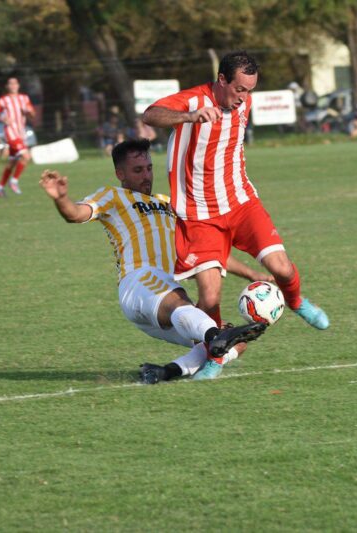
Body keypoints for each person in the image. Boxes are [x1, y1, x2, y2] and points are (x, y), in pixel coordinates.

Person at [142, 50, 329, 380]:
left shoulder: (244, 102)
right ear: (222, 80)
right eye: (239, 89)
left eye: (250, 90)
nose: (244, 97)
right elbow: (150, 115)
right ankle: (215, 359)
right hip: (199, 214)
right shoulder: (194, 100)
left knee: (281, 267)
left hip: (241, 203)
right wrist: (190, 117)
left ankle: (296, 301)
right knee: (209, 296)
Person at [39, 139, 269, 384]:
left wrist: (253, 275)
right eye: (138, 170)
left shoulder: (169, 203)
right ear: (120, 174)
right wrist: (61, 198)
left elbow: (207, 254)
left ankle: (166, 372)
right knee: (210, 328)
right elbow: (76, 214)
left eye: (149, 168)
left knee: (236, 341)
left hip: (167, 296)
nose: (146, 176)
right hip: (139, 281)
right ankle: (214, 335)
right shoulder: (113, 196)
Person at [0, 77, 35, 197]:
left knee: (12, 162)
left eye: (15, 83)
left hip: (21, 133)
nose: (13, 86)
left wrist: (29, 112)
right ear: (7, 86)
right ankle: (14, 181)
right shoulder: (3, 100)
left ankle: (0, 188)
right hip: (11, 132)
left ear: (18, 85)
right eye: (10, 84)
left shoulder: (24, 98)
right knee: (26, 156)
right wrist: (3, 119)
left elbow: (32, 115)